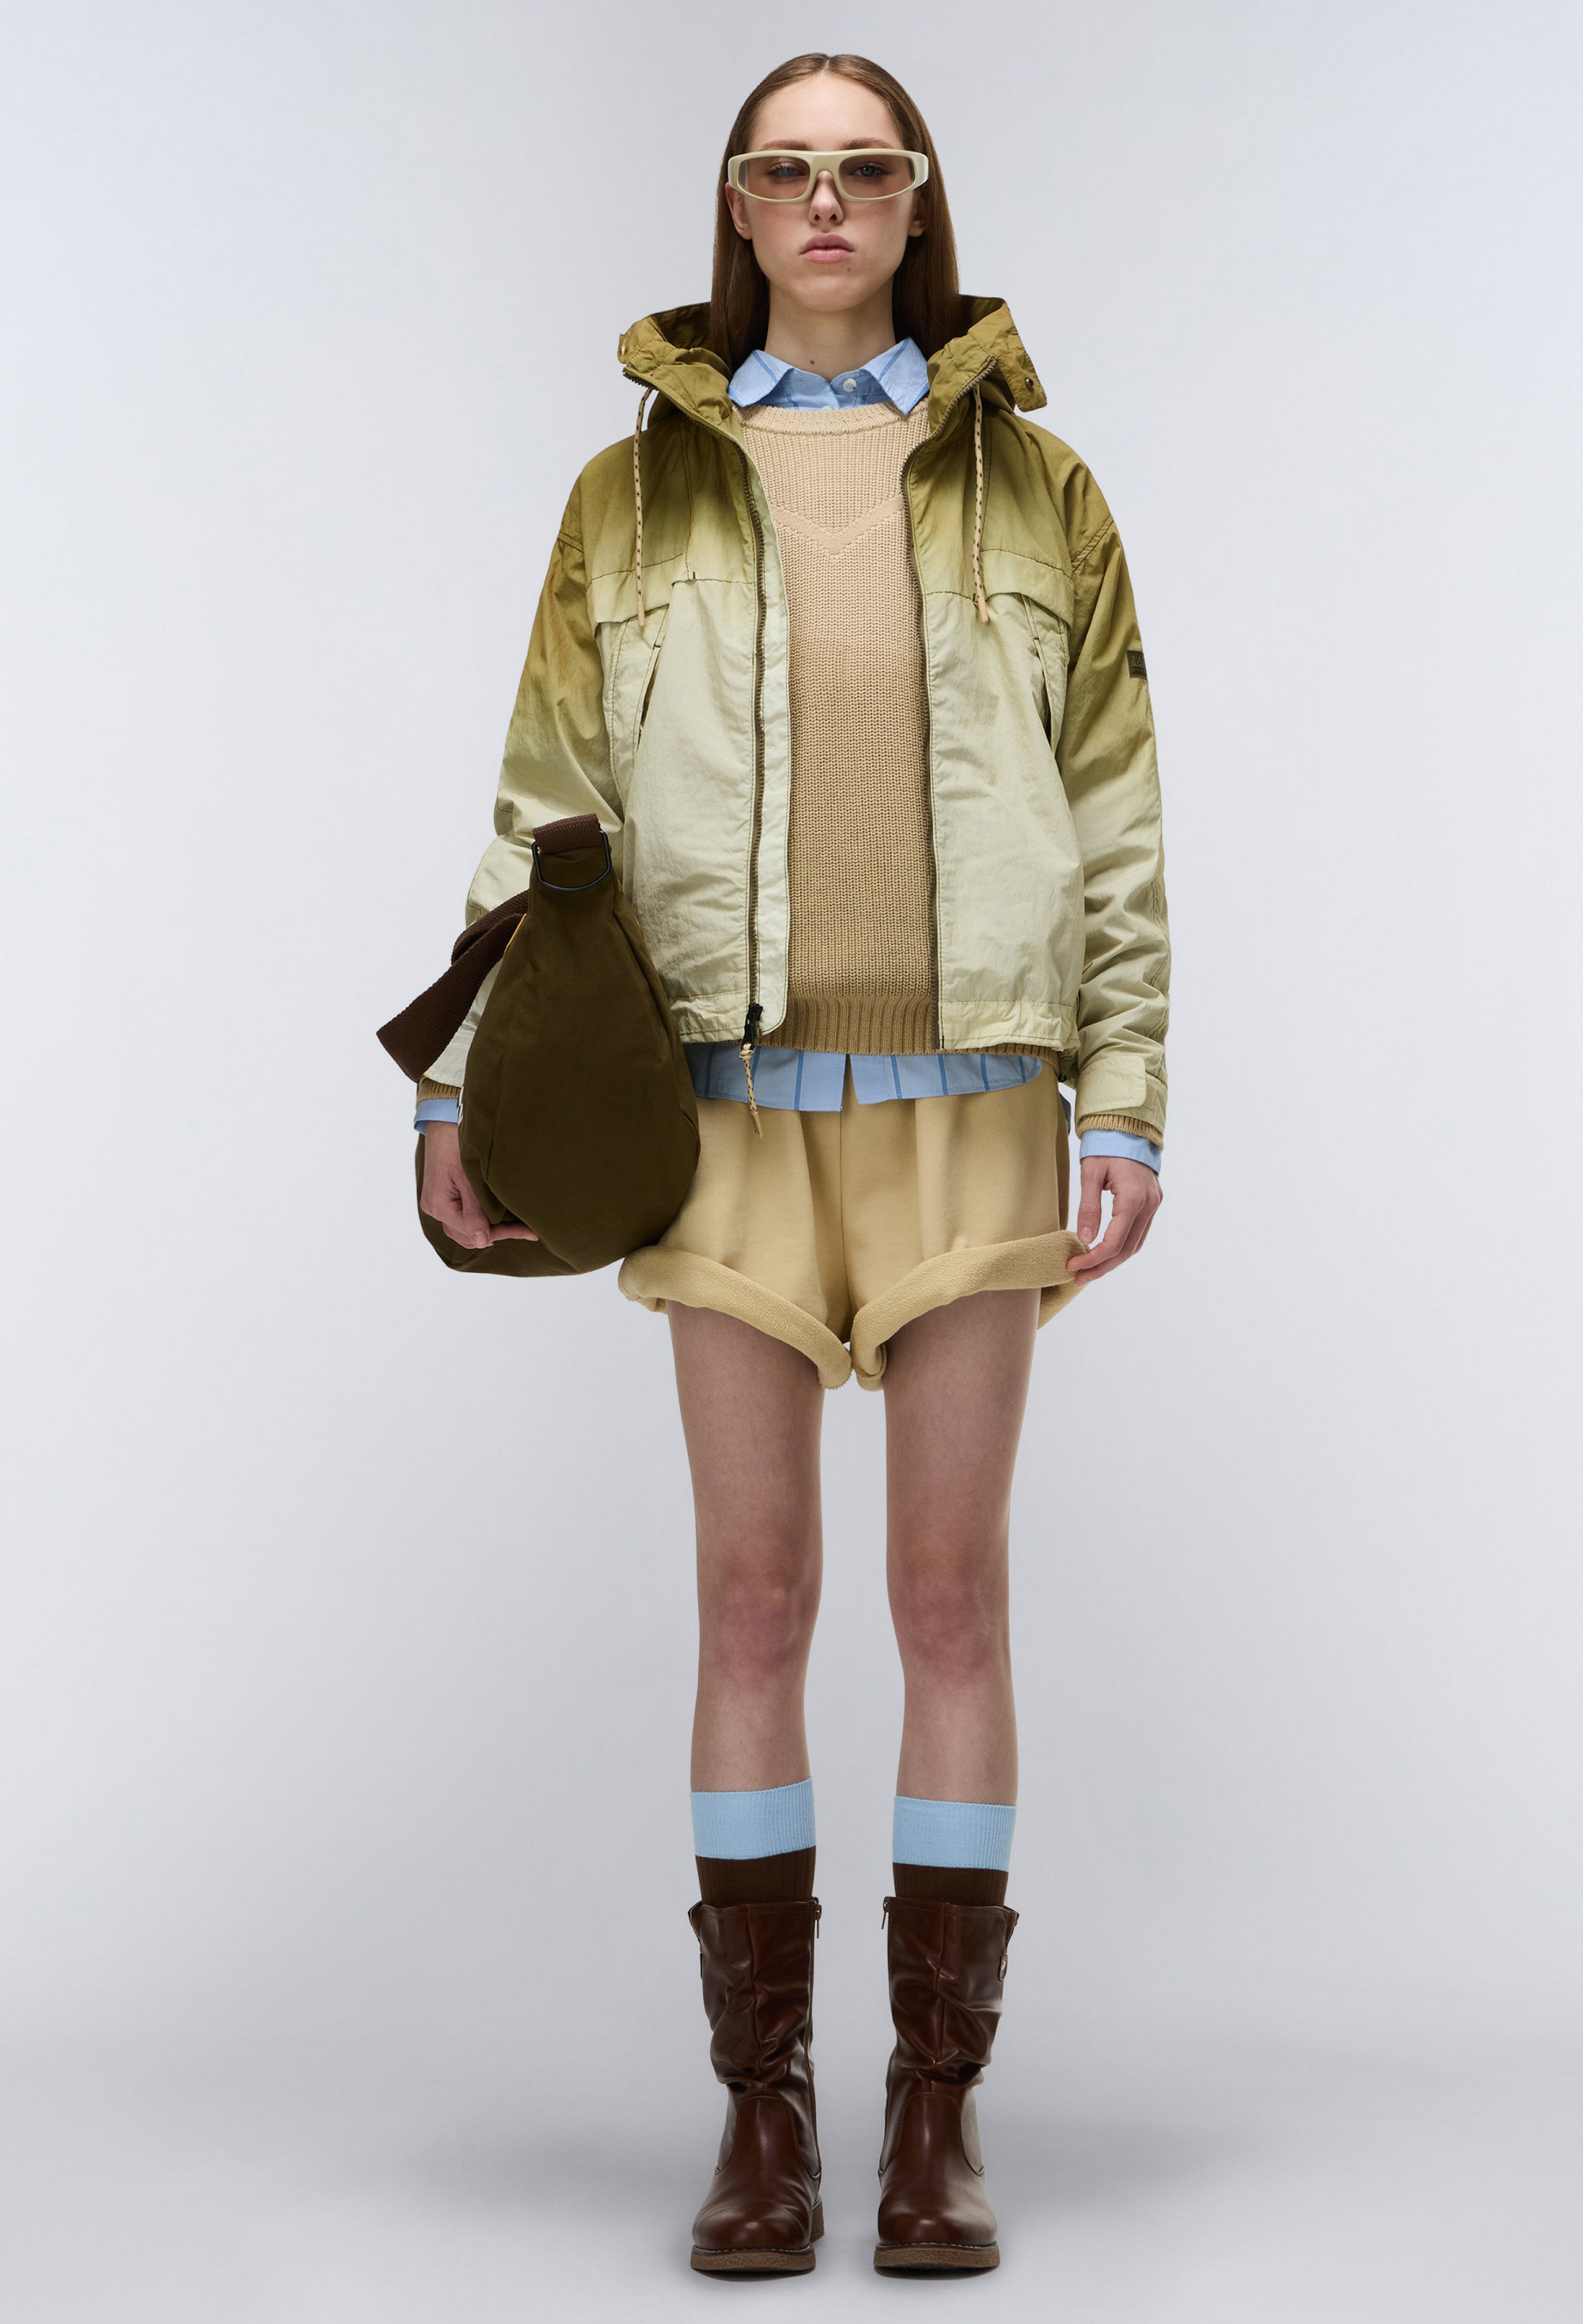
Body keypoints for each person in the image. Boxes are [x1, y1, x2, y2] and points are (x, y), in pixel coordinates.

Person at [411, 52, 1168, 2278]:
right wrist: (461, 1092)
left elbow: (1116, 808)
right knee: (751, 1597)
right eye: (785, 170)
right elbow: (543, 799)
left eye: (865, 168)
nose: (826, 202)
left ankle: (935, 2117)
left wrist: (1126, 1095)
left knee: (949, 1601)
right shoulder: (627, 498)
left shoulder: (1042, 490)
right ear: (737, 208)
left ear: (916, 201)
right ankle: (764, 2116)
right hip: (719, 1118)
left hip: (972, 1105)